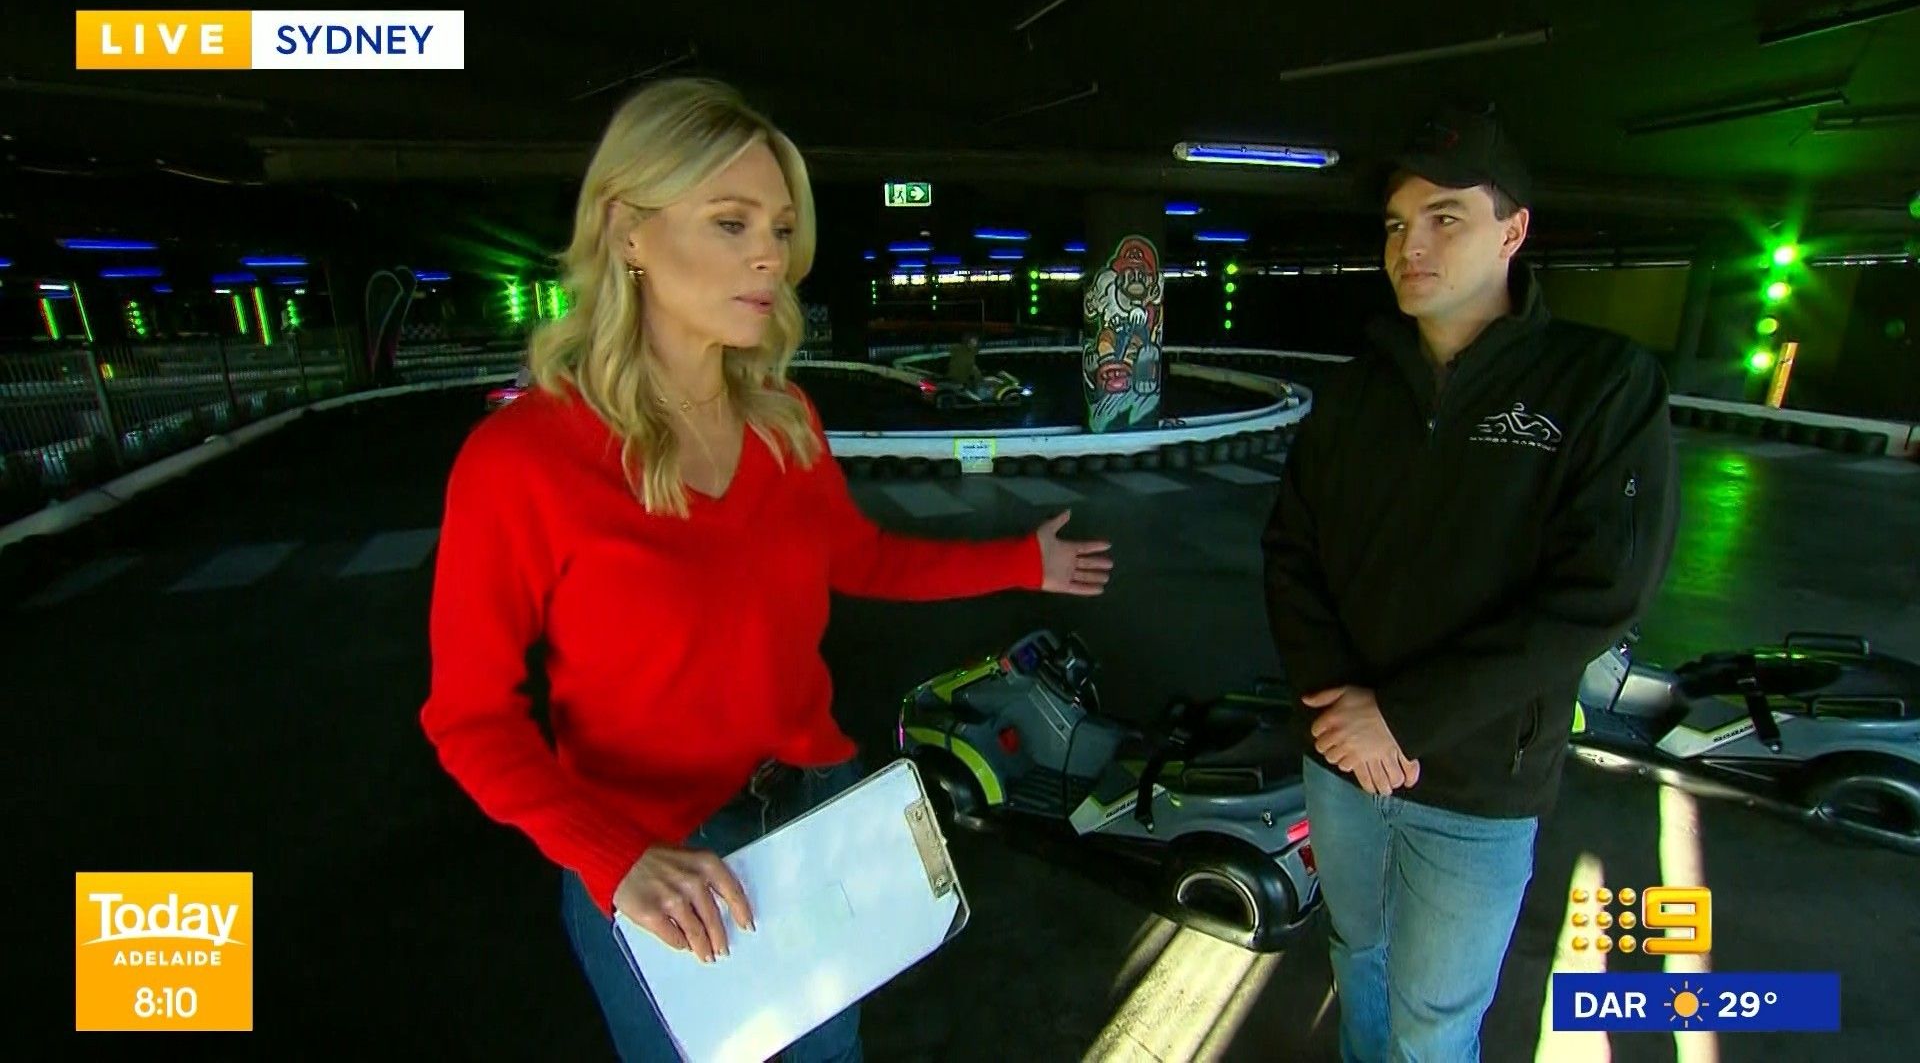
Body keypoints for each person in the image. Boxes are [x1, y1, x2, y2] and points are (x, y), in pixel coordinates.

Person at [419, 77, 1115, 1063]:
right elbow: (470, 720)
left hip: (818, 817)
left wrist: (1021, 561)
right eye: (731, 221)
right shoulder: (519, 461)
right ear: (627, 232)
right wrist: (616, 861)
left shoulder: (786, 422)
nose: (770, 256)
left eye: (781, 229)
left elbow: (860, 557)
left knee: (830, 1054)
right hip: (661, 865)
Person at [1261, 106, 1677, 1062]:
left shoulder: (1600, 386)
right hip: (1341, 761)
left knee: (1436, 1019)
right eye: (1397, 224)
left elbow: (1600, 593)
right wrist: (1340, 710)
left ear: (1513, 231)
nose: (1410, 245)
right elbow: (1291, 553)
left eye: (1445, 217)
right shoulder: (1355, 393)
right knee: (1357, 957)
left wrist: (1402, 718)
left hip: (1478, 782)